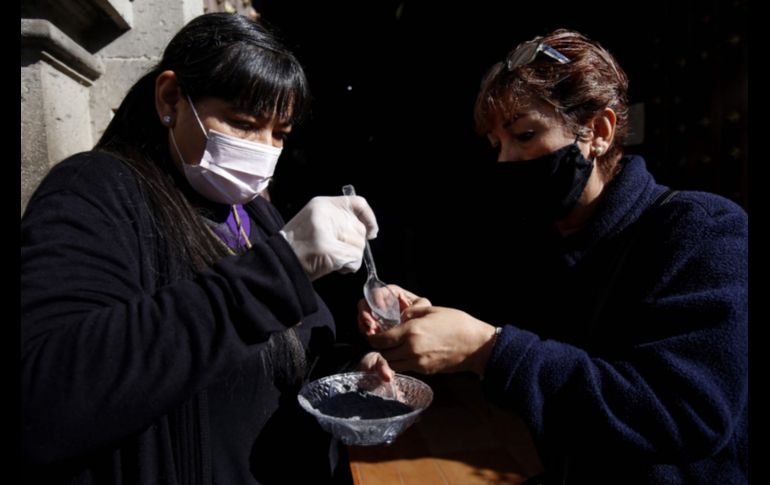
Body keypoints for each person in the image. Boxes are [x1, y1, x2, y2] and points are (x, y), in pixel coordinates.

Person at [358, 29, 748, 483]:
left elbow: (687, 414)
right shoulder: (536, 239)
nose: (506, 160)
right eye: (496, 145)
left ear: (597, 132)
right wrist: (412, 326)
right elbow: (502, 351)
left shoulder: (702, 231)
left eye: (525, 134)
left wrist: (488, 350)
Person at [21, 12, 390, 484]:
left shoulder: (252, 212)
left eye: (278, 133)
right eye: (242, 123)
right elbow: (46, 397)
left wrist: (348, 367)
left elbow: (283, 346)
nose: (264, 149)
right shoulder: (96, 191)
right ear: (171, 97)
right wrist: (281, 267)